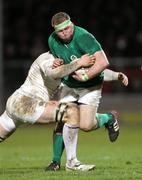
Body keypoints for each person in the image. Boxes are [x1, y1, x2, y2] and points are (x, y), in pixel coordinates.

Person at [45, 12, 128, 171]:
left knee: (86, 125)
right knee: (62, 120)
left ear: (72, 24)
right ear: (55, 31)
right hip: (69, 85)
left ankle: (108, 118)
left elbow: (103, 62)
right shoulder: (52, 40)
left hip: (91, 86)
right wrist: (55, 62)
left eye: (68, 28)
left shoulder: (84, 37)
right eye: (61, 31)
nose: (65, 33)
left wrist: (87, 76)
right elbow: (60, 64)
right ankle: (57, 162)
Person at [0, 51, 98, 171]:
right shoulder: (48, 58)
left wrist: (115, 75)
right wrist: (79, 62)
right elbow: (53, 73)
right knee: (71, 113)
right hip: (25, 103)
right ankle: (72, 163)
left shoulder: (68, 62)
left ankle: (57, 162)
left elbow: (91, 73)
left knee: (65, 115)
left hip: (19, 102)